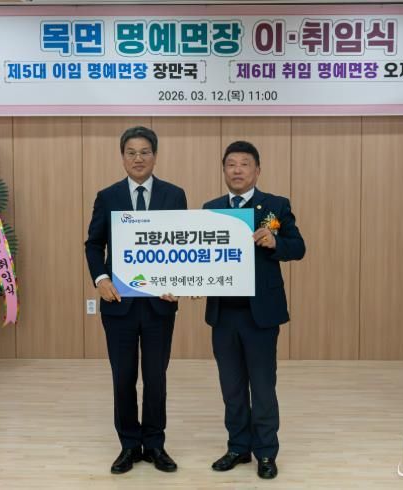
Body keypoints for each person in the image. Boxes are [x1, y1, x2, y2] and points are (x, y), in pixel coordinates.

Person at [85, 126, 187, 474]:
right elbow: (93, 244)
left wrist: (179, 280)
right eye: (131, 152)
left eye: (145, 152)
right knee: (123, 376)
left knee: (156, 377)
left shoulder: (174, 195)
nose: (138, 158)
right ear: (122, 157)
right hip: (119, 305)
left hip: (160, 304)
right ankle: (129, 444)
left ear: (155, 156)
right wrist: (100, 279)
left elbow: (183, 243)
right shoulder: (108, 196)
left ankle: (155, 444)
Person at [203, 141, 305, 479]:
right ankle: (237, 447)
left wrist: (276, 242)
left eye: (244, 164)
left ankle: (266, 452)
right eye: (231, 164)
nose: (237, 170)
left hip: (260, 314)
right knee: (231, 387)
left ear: (257, 170)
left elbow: (298, 247)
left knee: (262, 387)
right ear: (223, 170)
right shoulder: (211, 209)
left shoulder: (275, 206)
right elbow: (200, 258)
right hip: (223, 314)